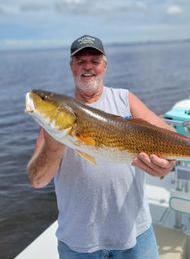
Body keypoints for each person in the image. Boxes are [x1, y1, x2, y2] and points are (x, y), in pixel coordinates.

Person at [27, 35, 176, 259]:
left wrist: (168, 164)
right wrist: (54, 147)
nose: (88, 67)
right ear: (71, 67)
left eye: (94, 61)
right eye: (80, 61)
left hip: (135, 234)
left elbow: (170, 136)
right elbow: (37, 180)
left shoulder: (125, 99)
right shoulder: (54, 120)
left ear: (104, 66)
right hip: (79, 243)